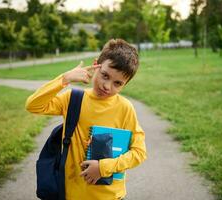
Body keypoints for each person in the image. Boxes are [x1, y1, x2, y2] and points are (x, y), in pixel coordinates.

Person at [25, 38, 147, 200]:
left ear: (125, 84)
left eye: (117, 83)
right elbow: (33, 105)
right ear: (96, 64)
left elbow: (139, 153)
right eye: (105, 75)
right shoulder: (73, 99)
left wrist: (103, 167)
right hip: (72, 193)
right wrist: (64, 79)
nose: (107, 86)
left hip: (110, 196)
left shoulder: (125, 109)